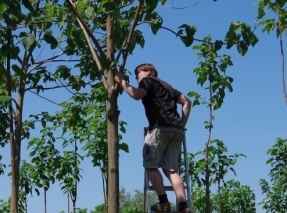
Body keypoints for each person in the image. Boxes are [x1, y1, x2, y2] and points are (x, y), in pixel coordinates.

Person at [115, 63, 192, 213]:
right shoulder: (167, 86)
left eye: (138, 74)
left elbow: (136, 95)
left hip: (159, 129)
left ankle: (163, 202)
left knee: (150, 165)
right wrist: (181, 125)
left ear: (148, 72)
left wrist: (121, 81)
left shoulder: (148, 81)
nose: (137, 78)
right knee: (171, 170)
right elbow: (187, 102)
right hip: (176, 131)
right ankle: (183, 206)